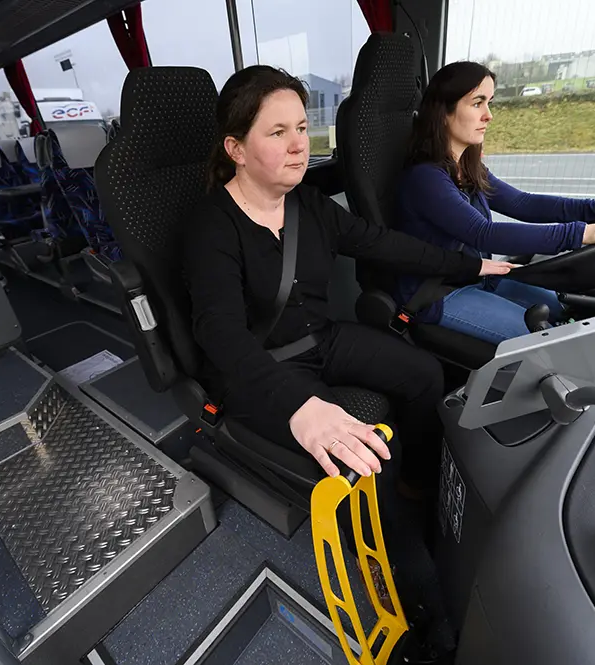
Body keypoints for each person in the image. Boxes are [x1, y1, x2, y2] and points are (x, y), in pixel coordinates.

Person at [182, 65, 510, 663]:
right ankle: (426, 614)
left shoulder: (309, 205)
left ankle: (415, 485)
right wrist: (302, 408)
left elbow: (384, 244)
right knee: (368, 464)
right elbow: (220, 334)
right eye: (277, 131)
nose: (299, 143)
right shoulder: (211, 226)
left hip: (320, 338)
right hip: (262, 371)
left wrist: (472, 265)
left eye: (303, 127)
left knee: (424, 376)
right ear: (235, 149)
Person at [396, 60, 595, 344]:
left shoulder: (467, 167)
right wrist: (586, 233)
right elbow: (484, 234)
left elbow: (523, 203)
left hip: (479, 275)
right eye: (477, 103)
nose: (489, 115)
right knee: (552, 342)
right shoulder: (425, 177)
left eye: (489, 102)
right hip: (439, 292)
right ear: (444, 111)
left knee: (567, 314)